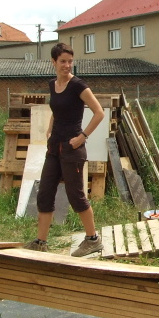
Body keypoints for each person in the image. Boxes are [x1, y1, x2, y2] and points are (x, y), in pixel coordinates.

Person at [24, 42, 105, 256]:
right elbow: (56, 110)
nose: (67, 65)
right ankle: (41, 241)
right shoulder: (53, 85)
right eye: (62, 61)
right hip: (54, 148)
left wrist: (82, 137)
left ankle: (92, 239)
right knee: (45, 193)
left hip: (72, 149)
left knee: (76, 196)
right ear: (53, 62)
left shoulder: (79, 86)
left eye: (70, 61)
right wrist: (50, 129)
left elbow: (99, 113)